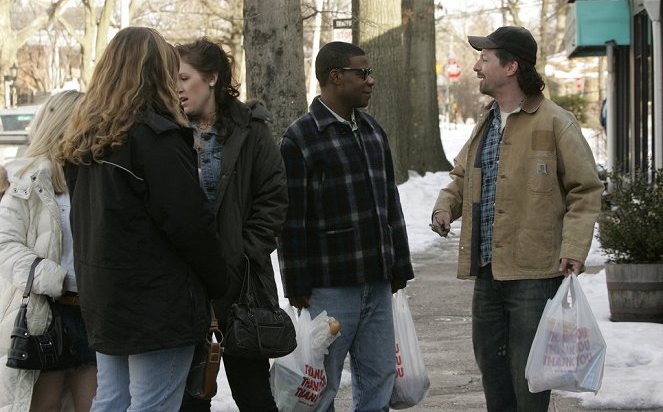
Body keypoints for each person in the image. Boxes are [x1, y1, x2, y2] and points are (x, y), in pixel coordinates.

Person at [430, 26, 604, 412]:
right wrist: (445, 207)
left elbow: (586, 189)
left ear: (511, 66)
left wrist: (574, 247)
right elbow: (462, 177)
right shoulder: (487, 123)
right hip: (488, 271)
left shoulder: (556, 122)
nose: (476, 66)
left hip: (534, 274)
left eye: (485, 58)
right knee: (492, 369)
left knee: (529, 377)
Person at [59, 27, 227, 411]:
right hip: (156, 302)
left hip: (106, 295)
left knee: (112, 401)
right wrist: (219, 281)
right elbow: (189, 224)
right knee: (151, 404)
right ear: (158, 72)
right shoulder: (155, 136)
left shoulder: (84, 140)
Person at [277, 41, 414, 411]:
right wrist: (297, 284)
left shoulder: (372, 132)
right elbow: (292, 219)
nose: (371, 80)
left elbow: (390, 203)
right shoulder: (301, 138)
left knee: (380, 379)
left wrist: (399, 265)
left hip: (377, 282)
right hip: (329, 288)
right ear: (336, 78)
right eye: (362, 73)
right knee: (321, 387)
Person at [176, 38, 287, 411]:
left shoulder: (250, 128)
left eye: (183, 77)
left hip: (240, 286)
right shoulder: (169, 130)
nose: (176, 88)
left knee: (253, 392)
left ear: (210, 78)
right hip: (185, 285)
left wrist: (243, 253)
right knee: (192, 396)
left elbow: (273, 199)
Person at [0, 90, 97, 411]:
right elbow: (5, 242)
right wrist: (48, 275)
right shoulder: (28, 179)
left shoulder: (98, 175)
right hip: (45, 313)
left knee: (95, 406)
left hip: (94, 314)